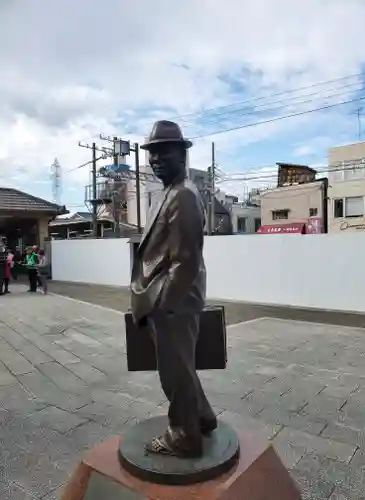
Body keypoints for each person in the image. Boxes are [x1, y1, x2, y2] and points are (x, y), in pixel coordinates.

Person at [130, 120, 216, 458]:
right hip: (166, 298)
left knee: (174, 372)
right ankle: (203, 416)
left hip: (173, 300)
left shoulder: (183, 195)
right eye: (152, 153)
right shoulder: (167, 193)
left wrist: (165, 305)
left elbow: (186, 259)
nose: (156, 159)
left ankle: (184, 436)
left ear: (182, 153)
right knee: (182, 366)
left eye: (164, 151)